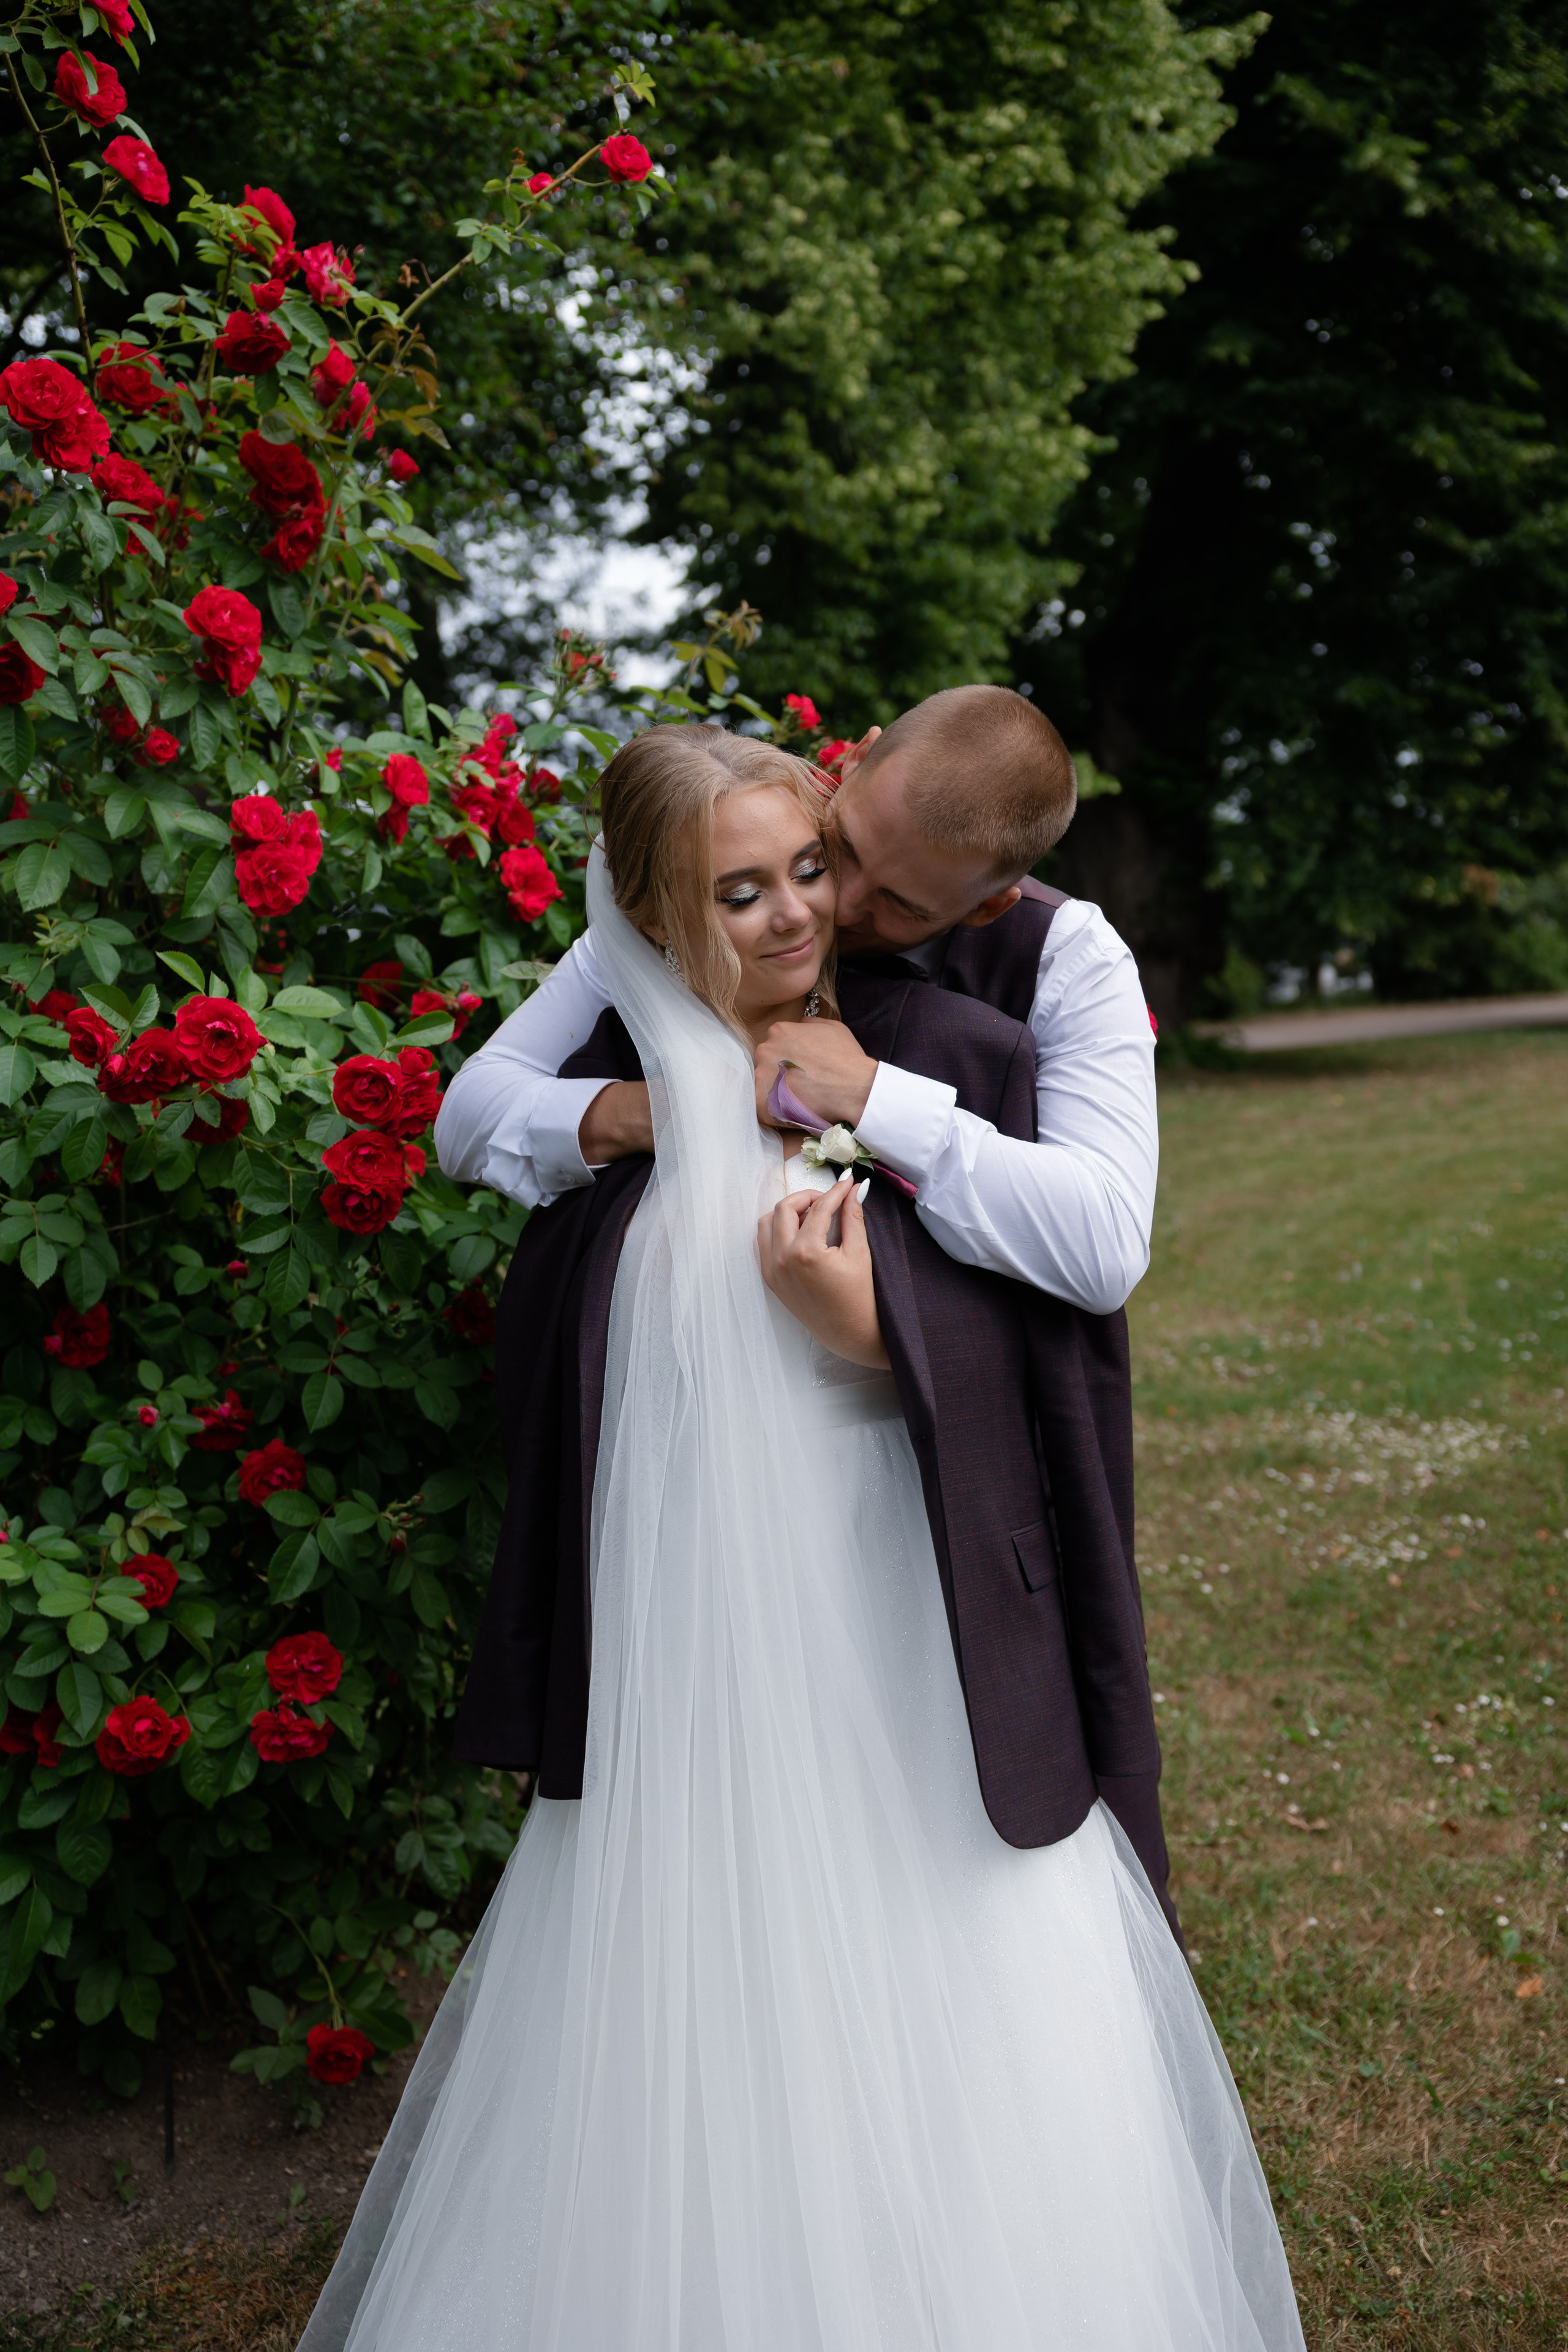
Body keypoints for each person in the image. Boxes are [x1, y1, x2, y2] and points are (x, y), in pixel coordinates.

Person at [299, 728, 1304, 2352]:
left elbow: (1084, 1262)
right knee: (700, 1908)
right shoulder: (660, 966)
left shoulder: (1009, 1001)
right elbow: (486, 1113)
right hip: (693, 1601)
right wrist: (629, 1117)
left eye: (845, 886)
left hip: (895, 1591)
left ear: (984, 890)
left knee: (929, 1869)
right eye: (791, 871)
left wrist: (877, 1198)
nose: (819, 912)